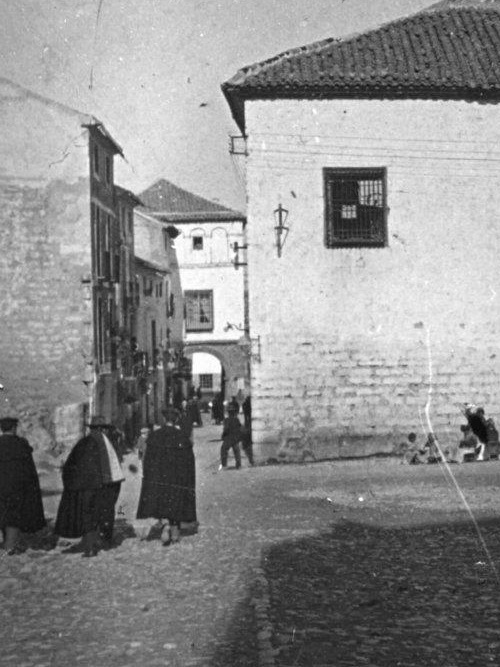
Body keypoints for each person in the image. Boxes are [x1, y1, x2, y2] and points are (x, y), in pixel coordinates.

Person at [55, 415, 125, 557]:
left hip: (87, 486)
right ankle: (103, 540)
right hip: (107, 485)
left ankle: (90, 546)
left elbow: (70, 465)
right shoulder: (110, 444)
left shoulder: (83, 443)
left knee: (87, 514)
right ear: (102, 429)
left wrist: (71, 482)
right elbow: (117, 467)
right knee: (103, 512)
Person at [136, 407, 197, 545]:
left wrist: (149, 474)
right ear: (175, 419)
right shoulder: (182, 436)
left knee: (162, 499)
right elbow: (189, 460)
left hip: (160, 476)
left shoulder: (155, 436)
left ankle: (165, 524)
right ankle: (174, 530)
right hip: (177, 477)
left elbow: (148, 459)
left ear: (164, 419)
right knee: (175, 500)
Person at [0, 417, 45, 555]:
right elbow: (29, 470)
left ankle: (7, 542)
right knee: (14, 515)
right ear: (14, 428)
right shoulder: (21, 444)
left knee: (3, 512)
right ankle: (10, 545)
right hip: (17, 487)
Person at [220, 405, 243, 470]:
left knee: (223, 450)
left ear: (228, 413)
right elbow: (240, 428)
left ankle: (224, 464)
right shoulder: (237, 419)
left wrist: (223, 436)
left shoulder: (226, 420)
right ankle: (238, 465)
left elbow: (226, 429)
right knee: (236, 451)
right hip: (235, 438)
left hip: (228, 438)